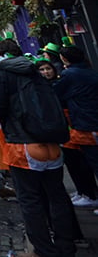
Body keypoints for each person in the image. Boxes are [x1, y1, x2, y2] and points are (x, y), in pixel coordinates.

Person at [0, 38, 75, 257]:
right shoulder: (36, 70)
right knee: (57, 196)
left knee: (30, 200)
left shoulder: (1, 74)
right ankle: (66, 246)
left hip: (24, 145)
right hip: (52, 143)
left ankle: (43, 250)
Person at [53, 45, 98, 202]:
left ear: (64, 59)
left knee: (93, 161)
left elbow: (56, 92)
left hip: (87, 123)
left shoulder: (69, 74)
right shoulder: (89, 70)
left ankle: (91, 195)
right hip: (90, 120)